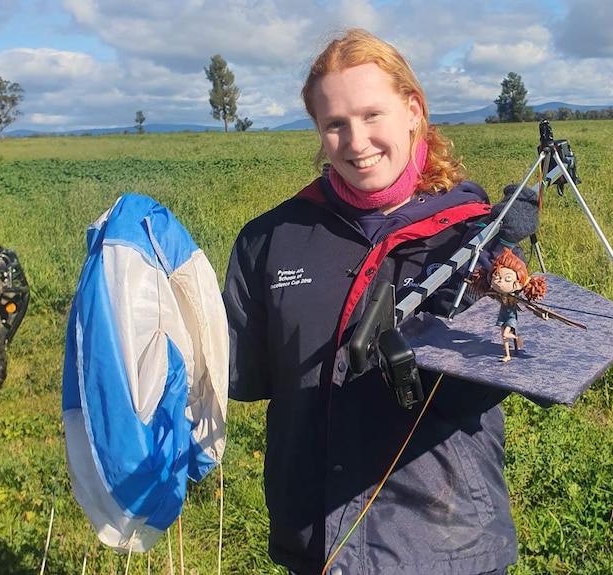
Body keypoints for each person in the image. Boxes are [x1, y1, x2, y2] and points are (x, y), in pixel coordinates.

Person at [223, 28, 522, 575]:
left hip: (444, 548)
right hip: (317, 545)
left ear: (413, 110)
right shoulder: (271, 240)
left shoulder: (476, 241)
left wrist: (502, 276)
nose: (355, 141)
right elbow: (238, 374)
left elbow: (512, 364)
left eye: (371, 115)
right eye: (335, 123)